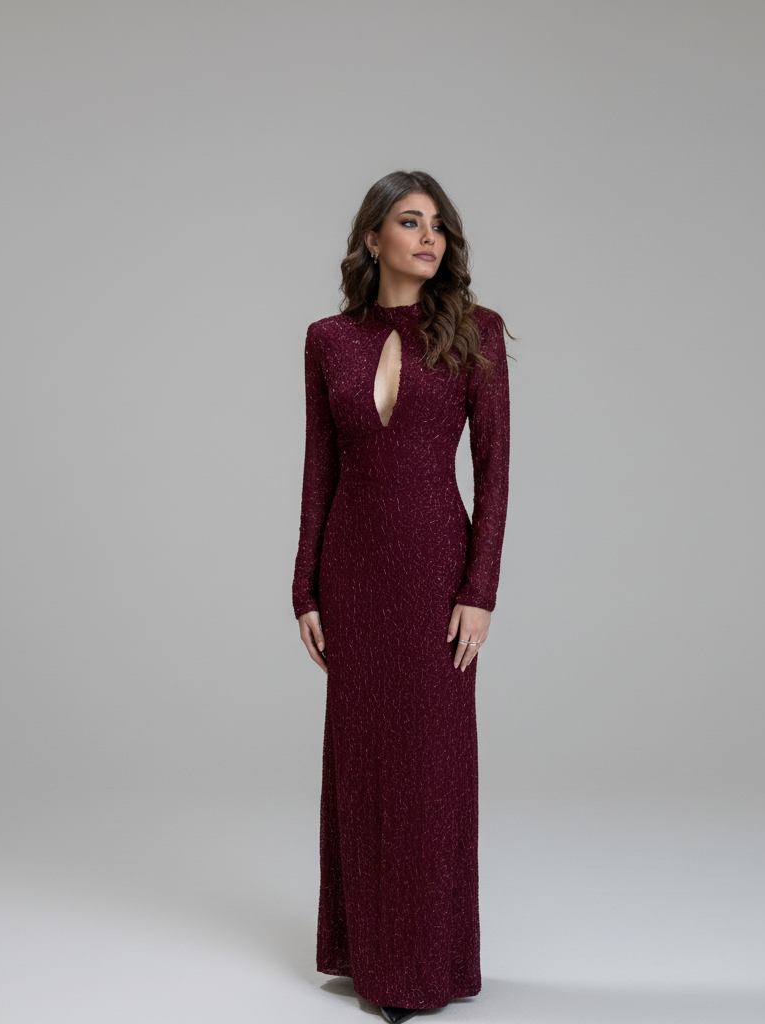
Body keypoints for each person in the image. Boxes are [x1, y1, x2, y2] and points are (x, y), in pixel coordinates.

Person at [292, 170, 511, 1023]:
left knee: (429, 767)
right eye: (410, 222)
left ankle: (422, 965)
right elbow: (319, 470)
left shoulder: (475, 333)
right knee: (362, 762)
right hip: (352, 573)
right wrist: (304, 586)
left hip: (434, 574)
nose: (429, 238)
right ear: (373, 237)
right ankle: (363, 951)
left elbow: (494, 473)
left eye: (438, 226)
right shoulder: (328, 341)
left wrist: (480, 588)